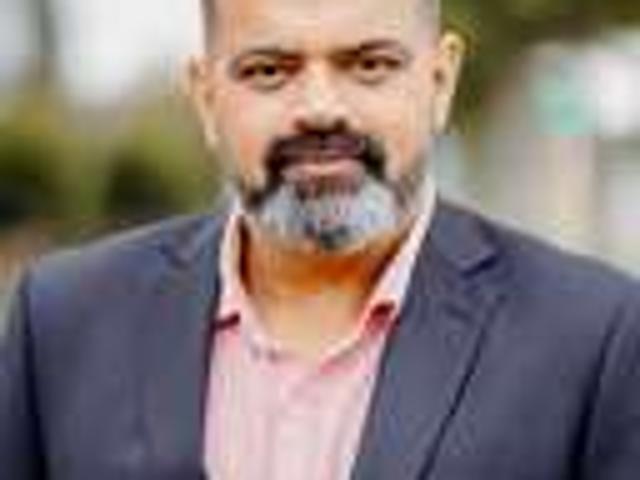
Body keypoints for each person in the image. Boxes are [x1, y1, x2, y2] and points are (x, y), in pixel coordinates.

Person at [2, 0, 639, 478]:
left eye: (370, 65)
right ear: (206, 97)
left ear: (440, 81)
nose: (320, 108)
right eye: (269, 70)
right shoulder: (62, 322)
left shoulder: (595, 339)